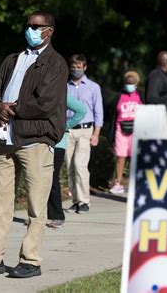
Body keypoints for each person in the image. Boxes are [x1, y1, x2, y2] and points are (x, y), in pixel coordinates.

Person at [0, 11, 67, 278]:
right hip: (5, 139)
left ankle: (30, 261)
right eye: (28, 25)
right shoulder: (13, 59)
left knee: (35, 207)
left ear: (50, 31)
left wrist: (11, 110)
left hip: (36, 140)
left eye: (37, 26)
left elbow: (46, 103)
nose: (30, 30)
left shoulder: (56, 63)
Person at [65, 54, 104, 214]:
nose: (76, 69)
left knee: (80, 165)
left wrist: (96, 134)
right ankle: (75, 200)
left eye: (79, 67)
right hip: (68, 130)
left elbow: (98, 112)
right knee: (69, 166)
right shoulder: (64, 86)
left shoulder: (93, 87)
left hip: (85, 130)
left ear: (85, 67)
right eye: (74, 67)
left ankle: (84, 201)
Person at [46, 94, 86, 228]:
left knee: (52, 178)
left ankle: (57, 215)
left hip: (57, 143)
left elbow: (81, 110)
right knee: (35, 179)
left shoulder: (62, 91)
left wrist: (65, 125)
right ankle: (36, 215)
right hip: (38, 141)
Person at [108, 71, 143, 194]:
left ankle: (134, 182)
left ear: (136, 84)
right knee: (120, 156)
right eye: (127, 83)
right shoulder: (119, 96)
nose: (130, 85)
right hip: (120, 129)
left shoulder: (140, 97)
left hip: (136, 130)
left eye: (132, 83)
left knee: (134, 157)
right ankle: (118, 182)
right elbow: (113, 114)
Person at [145, 51, 167, 127]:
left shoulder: (163, 76)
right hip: (160, 117)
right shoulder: (156, 75)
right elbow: (152, 98)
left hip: (164, 115)